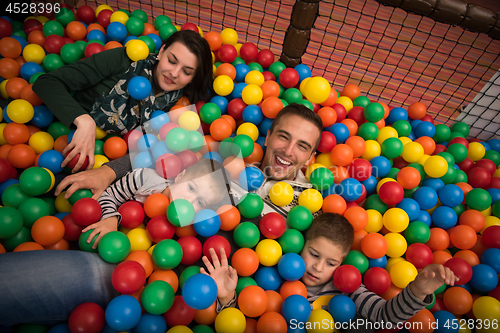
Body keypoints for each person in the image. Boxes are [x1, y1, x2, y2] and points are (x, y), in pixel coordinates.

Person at [0, 104, 323, 327]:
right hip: (125, 260)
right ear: (268, 137)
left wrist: (226, 301)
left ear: (310, 157)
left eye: (302, 146)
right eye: (283, 136)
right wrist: (108, 173)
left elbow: (299, 288)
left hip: (193, 300)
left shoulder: (307, 210)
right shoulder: (230, 160)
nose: (288, 151)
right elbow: (160, 163)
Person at [203, 213, 458, 331]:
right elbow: (243, 323)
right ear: (302, 243)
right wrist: (227, 299)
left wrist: (418, 291)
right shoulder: (273, 277)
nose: (318, 267)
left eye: (330, 263)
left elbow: (384, 318)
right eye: (314, 254)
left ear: (343, 263)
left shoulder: (349, 289)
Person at [33, 30, 213, 173]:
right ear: (161, 51)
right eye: (172, 61)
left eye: (187, 72)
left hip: (108, 159)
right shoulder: (123, 60)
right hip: (58, 138)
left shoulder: (179, 103)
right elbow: (46, 83)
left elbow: (153, 149)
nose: (174, 73)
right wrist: (83, 119)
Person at [84, 158, 231, 249]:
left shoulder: (189, 225)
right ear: (180, 176)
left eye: (200, 202)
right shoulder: (145, 179)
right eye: (191, 188)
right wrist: (110, 219)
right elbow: (109, 194)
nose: (189, 201)